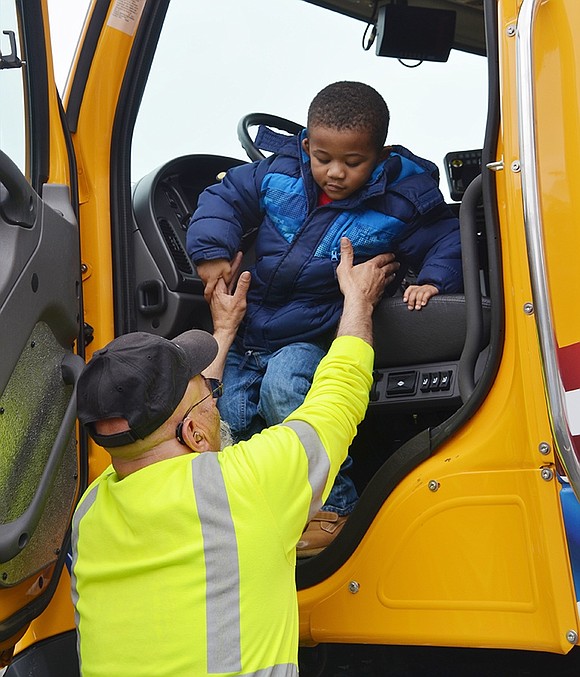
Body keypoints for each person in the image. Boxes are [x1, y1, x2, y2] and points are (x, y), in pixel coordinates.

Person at [70, 238, 396, 677]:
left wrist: (223, 331)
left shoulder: (87, 514)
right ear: (194, 432)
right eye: (210, 395)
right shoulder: (247, 484)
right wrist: (358, 300)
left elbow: (178, 418)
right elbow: (338, 397)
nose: (216, 397)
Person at [186, 80, 462, 556]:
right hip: (253, 326)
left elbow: (446, 235)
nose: (335, 173)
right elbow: (226, 197)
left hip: (313, 331)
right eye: (323, 158)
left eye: (352, 163)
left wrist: (433, 279)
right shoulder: (279, 174)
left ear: (378, 154)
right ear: (307, 145)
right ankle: (249, 508)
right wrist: (210, 251)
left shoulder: (401, 200)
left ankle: (334, 508)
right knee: (226, 413)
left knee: (284, 392)